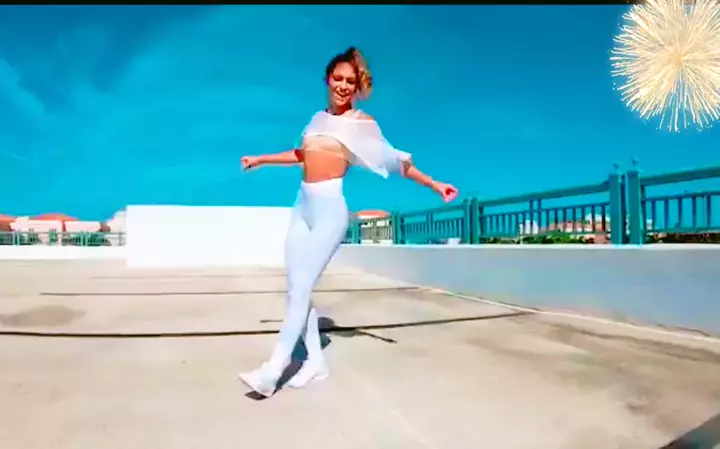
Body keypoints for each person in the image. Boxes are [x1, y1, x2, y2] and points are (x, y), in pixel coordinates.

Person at [238, 46, 458, 397]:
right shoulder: (316, 119)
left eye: (350, 82)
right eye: (338, 79)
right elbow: (301, 154)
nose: (343, 86)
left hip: (330, 209)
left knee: (302, 286)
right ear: (328, 79)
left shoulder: (361, 124)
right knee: (296, 288)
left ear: (356, 87)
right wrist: (261, 159)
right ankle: (315, 362)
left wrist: (434, 184)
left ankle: (273, 369)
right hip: (302, 206)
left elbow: (398, 161)